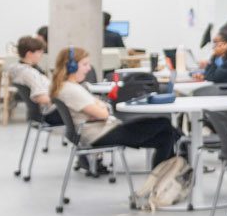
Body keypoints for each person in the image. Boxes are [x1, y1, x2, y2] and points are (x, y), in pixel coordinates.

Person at [43, 45, 180, 166]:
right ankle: (170, 170)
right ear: (71, 66)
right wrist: (101, 107)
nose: (89, 68)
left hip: (101, 129)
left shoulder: (69, 87)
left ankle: (163, 176)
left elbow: (102, 108)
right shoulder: (70, 90)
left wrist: (100, 107)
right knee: (164, 125)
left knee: (165, 134)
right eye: (85, 64)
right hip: (101, 133)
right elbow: (104, 113)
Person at [5, 36, 54, 124]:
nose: (41, 55)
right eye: (39, 52)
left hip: (38, 113)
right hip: (48, 113)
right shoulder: (30, 74)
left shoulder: (17, 69)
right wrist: (62, 101)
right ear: (29, 54)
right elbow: (41, 98)